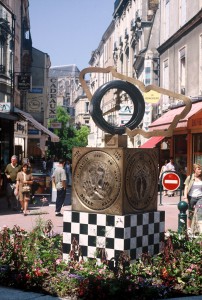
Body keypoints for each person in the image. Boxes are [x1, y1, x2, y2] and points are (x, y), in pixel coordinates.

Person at [184, 163, 202, 232]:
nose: (200, 170)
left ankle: (199, 229)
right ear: (195, 170)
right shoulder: (190, 177)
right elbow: (186, 187)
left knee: (200, 212)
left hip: (200, 197)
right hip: (191, 197)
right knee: (191, 212)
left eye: (201, 169)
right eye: (199, 169)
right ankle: (189, 228)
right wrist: (185, 197)